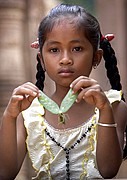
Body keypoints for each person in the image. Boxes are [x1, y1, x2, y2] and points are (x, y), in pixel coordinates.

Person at [0, 3, 127, 180]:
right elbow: (5, 173)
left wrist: (104, 110)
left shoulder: (114, 107)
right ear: (41, 60)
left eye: (77, 49)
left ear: (96, 57)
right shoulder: (29, 114)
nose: (65, 59)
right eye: (54, 50)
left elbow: (108, 170)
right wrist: (9, 116)